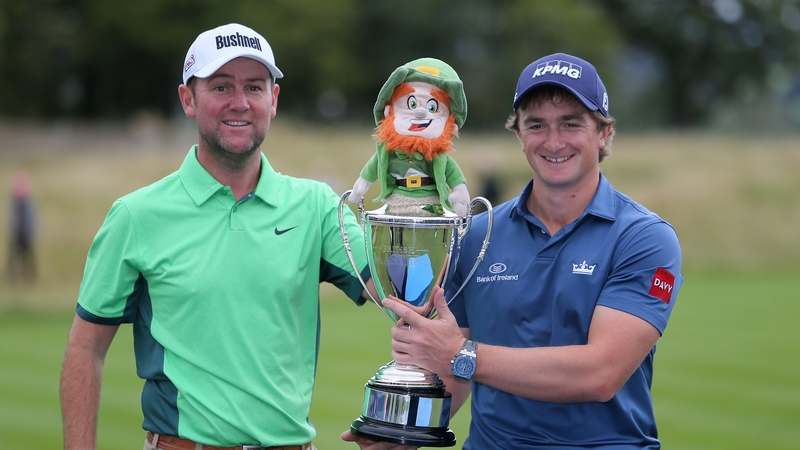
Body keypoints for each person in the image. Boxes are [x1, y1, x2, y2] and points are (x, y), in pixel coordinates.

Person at [60, 23, 370, 450]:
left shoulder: (317, 207)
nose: (240, 103)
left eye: (255, 87)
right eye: (221, 87)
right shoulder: (136, 215)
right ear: (188, 99)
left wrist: (417, 194)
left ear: (273, 100)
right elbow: (86, 349)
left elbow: (394, 289)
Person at [381, 53, 683, 449]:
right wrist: (399, 435)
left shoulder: (644, 237)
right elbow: (453, 376)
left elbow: (600, 374)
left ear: (603, 133)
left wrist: (460, 354)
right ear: (519, 135)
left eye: (571, 124)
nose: (554, 141)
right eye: (537, 125)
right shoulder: (477, 234)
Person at [6, 171, 37, 283]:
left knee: (27, 258)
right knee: (14, 257)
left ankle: (29, 277)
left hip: (25, 235)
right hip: (17, 234)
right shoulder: (15, 203)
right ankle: (12, 276)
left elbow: (31, 219)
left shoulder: (27, 204)